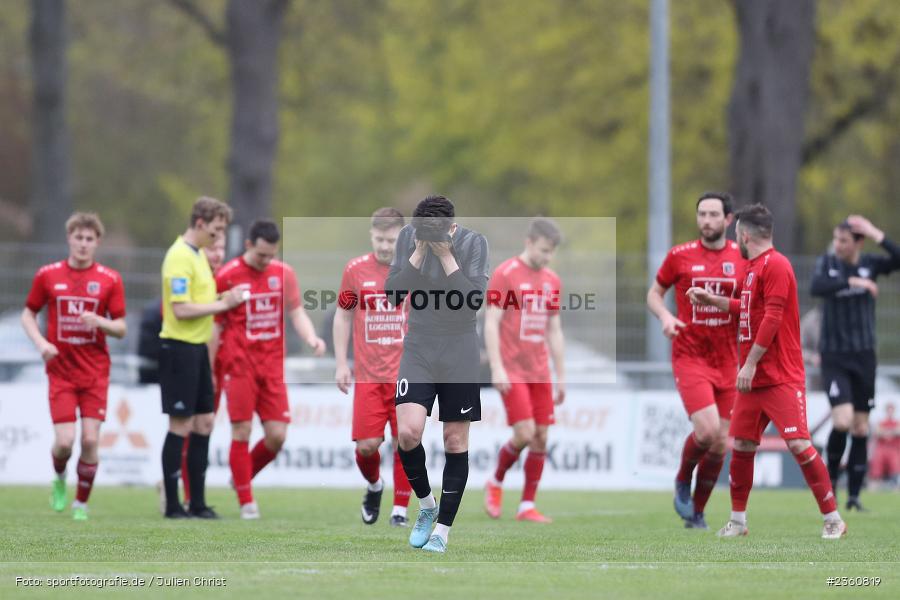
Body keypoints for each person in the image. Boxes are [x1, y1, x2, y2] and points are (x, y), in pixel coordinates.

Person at [688, 203, 846, 539]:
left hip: (780, 376)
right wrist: (711, 300)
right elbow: (747, 309)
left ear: (745, 235)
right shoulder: (752, 268)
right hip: (754, 379)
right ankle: (738, 522)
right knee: (743, 446)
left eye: (737, 235)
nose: (736, 241)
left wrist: (749, 363)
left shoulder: (777, 265)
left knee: (799, 444)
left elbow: (772, 318)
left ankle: (833, 518)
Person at [385, 196, 489, 553]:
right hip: (419, 345)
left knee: (455, 441)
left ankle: (442, 532)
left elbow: (473, 301)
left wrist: (446, 256)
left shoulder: (474, 243)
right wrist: (417, 253)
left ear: (452, 228)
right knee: (408, 433)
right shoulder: (408, 239)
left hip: (460, 348)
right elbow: (392, 296)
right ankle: (427, 506)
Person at [215, 219, 326, 519]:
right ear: (248, 245)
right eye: (261, 254)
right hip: (239, 365)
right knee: (241, 430)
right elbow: (215, 323)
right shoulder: (227, 275)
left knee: (277, 436)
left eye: (271, 255)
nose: (266, 261)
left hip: (272, 367)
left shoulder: (283, 273)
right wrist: (212, 366)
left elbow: (296, 312)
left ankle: (240, 477)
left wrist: (311, 338)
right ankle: (246, 502)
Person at [646, 192, 744, 529]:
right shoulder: (680, 255)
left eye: (714, 214)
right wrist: (665, 317)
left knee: (720, 445)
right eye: (702, 214)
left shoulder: (742, 257)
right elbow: (654, 294)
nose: (707, 220)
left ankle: (697, 513)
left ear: (728, 220)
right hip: (690, 356)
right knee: (707, 431)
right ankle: (682, 479)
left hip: (728, 361)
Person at [21, 212, 127, 521]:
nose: (83, 244)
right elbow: (28, 314)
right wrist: (41, 344)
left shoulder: (109, 279)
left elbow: (121, 327)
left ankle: (81, 503)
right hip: (61, 372)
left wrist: (101, 322)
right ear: (69, 238)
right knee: (65, 443)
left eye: (89, 239)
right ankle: (59, 476)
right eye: (78, 237)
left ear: (97, 243)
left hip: (95, 372)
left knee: (90, 439)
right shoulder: (48, 275)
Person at [159, 196, 246, 519]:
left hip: (197, 350)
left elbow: (200, 300)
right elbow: (181, 310)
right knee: (180, 425)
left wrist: (224, 297)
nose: (219, 235)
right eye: (216, 229)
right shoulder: (179, 256)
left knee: (205, 422)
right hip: (179, 348)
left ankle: (197, 502)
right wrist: (224, 304)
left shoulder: (197, 255)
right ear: (200, 223)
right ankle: (172, 504)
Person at [811, 216, 900, 511]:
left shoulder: (870, 263)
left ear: (858, 243)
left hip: (864, 356)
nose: (838, 245)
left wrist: (876, 233)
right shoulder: (828, 263)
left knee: (861, 428)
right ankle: (830, 486)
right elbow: (817, 287)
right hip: (834, 356)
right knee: (842, 421)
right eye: (836, 239)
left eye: (844, 241)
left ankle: (853, 497)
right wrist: (853, 281)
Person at [334, 208, 413, 526]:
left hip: (406, 374)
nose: (384, 246)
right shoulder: (355, 270)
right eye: (379, 239)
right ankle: (375, 485)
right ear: (371, 235)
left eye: (391, 240)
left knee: (406, 441)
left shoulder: (414, 270)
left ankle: (400, 511)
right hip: (368, 376)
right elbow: (343, 315)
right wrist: (342, 363)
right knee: (367, 447)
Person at [484, 217, 565, 523]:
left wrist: (561, 376)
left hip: (540, 371)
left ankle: (526, 506)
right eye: (543, 250)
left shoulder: (552, 280)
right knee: (525, 433)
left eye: (551, 252)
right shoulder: (505, 274)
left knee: (541, 437)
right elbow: (491, 322)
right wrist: (497, 368)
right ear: (528, 242)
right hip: (512, 368)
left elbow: (554, 330)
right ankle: (495, 481)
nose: (547, 257)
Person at [869, 404, 900, 489]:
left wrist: (885, 432)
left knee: (895, 465)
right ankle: (875, 484)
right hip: (881, 449)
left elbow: (898, 431)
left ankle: (895, 484)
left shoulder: (897, 422)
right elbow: (877, 432)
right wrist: (892, 431)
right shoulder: (881, 422)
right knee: (877, 465)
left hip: (893, 449)